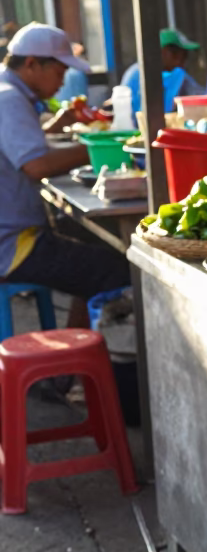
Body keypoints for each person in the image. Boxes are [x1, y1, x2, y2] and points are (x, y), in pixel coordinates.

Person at [0, 24, 131, 328]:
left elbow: (17, 147)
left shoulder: (8, 92)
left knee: (93, 247)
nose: (62, 83)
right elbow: (36, 166)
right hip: (12, 245)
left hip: (13, 231)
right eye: (59, 72)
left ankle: (76, 355)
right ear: (32, 64)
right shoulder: (9, 99)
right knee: (116, 269)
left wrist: (56, 128)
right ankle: (87, 362)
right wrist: (99, 148)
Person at [120, 28, 205, 116]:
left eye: (185, 56)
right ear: (162, 52)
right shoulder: (137, 74)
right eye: (177, 54)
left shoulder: (176, 74)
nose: (182, 61)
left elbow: (201, 96)